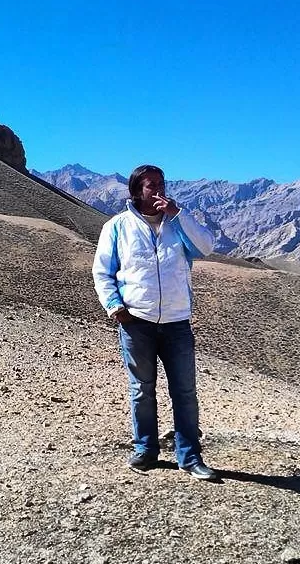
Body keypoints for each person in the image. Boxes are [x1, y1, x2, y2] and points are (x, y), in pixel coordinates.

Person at [92, 164, 217, 481]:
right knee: (142, 390)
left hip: (177, 321)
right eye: (151, 186)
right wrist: (114, 306)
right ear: (136, 191)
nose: (159, 190)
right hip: (137, 321)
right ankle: (146, 450)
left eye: (162, 184)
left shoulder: (177, 225)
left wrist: (180, 214)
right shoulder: (117, 227)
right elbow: (102, 272)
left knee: (185, 392)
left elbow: (206, 246)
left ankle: (190, 457)